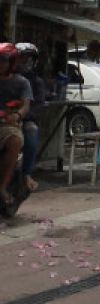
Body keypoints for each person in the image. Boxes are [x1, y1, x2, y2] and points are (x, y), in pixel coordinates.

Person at [0, 43, 32, 208]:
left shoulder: (22, 83)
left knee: (15, 141)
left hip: (7, 125)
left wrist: (17, 115)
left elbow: (26, 105)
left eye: (3, 60)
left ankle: (3, 187)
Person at [15, 43, 44, 191]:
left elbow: (37, 106)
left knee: (31, 131)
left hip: (23, 120)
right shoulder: (7, 79)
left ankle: (27, 173)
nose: (25, 62)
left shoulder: (35, 82)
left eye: (28, 58)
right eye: (22, 58)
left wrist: (21, 116)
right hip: (6, 119)